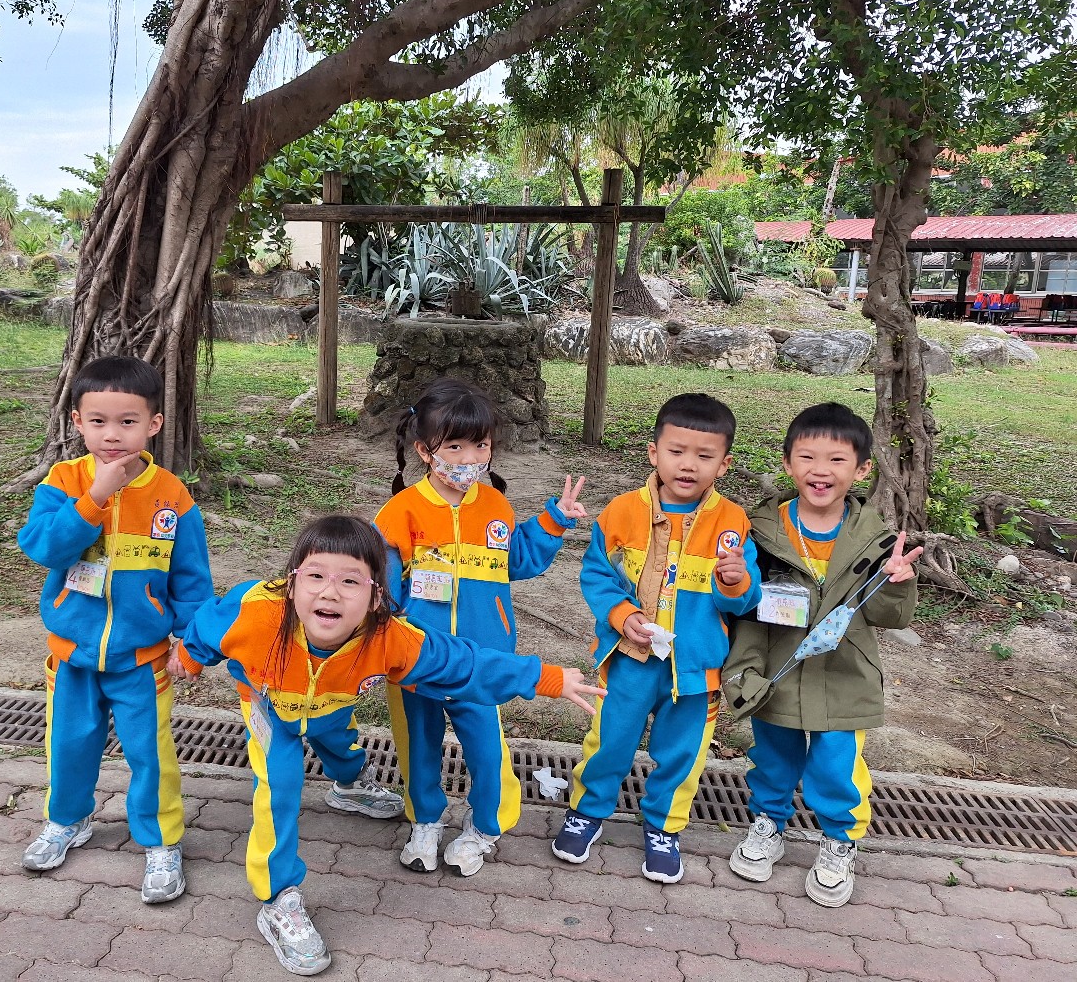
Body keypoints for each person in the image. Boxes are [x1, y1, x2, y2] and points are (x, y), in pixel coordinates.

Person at [170, 514, 605, 977]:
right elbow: (208, 625)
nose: (329, 592)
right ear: (291, 584)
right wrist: (190, 658)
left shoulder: (391, 637)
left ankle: (349, 785)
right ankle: (278, 901)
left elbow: (463, 663)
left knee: (339, 743)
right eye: (315, 576)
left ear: (377, 595)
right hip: (268, 705)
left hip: (331, 703)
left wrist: (545, 678)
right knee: (278, 789)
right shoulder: (255, 610)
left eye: (350, 581)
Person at [16, 355, 213, 904]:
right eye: (98, 421)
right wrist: (94, 499)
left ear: (154, 424)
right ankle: (67, 820)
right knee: (69, 744)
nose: (112, 435)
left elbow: (192, 579)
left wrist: (190, 643)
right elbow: (42, 547)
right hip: (72, 656)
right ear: (77, 422)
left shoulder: (171, 495)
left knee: (151, 754)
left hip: (141, 659)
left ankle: (161, 841)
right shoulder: (63, 481)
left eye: (128, 422)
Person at [374, 377, 588, 877]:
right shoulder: (399, 511)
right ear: (425, 451)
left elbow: (517, 560)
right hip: (418, 660)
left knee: (487, 754)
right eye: (455, 447)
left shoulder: (495, 505)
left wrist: (555, 520)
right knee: (419, 750)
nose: (470, 458)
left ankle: (484, 828)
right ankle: (425, 822)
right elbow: (383, 589)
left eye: (481, 445)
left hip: (483, 662)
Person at [551, 393, 761, 883]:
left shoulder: (733, 522)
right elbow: (597, 574)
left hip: (697, 669)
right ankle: (587, 811)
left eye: (704, 456)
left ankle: (665, 826)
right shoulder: (622, 512)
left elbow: (743, 602)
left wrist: (735, 581)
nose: (688, 465)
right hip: (629, 659)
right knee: (609, 740)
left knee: (683, 754)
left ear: (724, 464)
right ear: (654, 453)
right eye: (676, 451)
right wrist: (621, 614)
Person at [722, 403, 921, 907]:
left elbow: (891, 617)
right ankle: (768, 824)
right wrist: (733, 580)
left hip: (843, 675)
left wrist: (898, 582)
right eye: (808, 457)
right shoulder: (757, 528)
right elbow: (738, 597)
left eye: (837, 460)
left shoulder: (874, 538)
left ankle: (839, 841)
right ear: (788, 462)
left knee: (837, 765)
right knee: (773, 757)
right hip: (773, 669)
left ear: (862, 470)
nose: (821, 470)